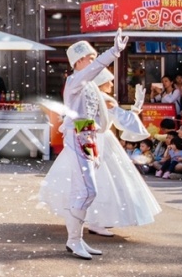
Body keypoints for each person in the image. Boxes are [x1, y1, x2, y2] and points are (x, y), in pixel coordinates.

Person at [40, 30, 127, 260]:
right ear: (79, 61)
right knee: (88, 190)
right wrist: (113, 52)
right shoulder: (76, 80)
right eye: (90, 56)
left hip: (85, 136)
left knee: (84, 191)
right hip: (77, 136)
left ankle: (75, 240)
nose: (93, 60)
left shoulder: (87, 84)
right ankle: (73, 240)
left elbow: (92, 119)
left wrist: (94, 149)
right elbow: (93, 70)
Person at [41, 69, 160, 235]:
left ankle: (85, 218)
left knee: (85, 179)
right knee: (100, 180)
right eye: (109, 81)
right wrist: (136, 108)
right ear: (100, 82)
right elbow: (123, 121)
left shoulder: (86, 97)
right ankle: (95, 221)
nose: (112, 84)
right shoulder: (105, 100)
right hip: (99, 140)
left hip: (86, 138)